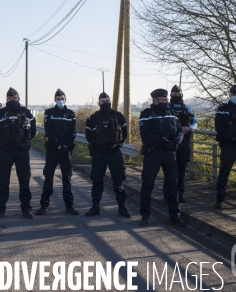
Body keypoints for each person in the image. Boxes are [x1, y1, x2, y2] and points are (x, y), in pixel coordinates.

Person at [138, 88, 185, 227]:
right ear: (155, 100)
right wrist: (162, 141)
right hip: (153, 153)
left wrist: (176, 141)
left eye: (166, 100)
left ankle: (175, 216)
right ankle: (145, 216)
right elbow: (145, 134)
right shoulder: (146, 114)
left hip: (170, 153)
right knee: (147, 185)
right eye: (163, 100)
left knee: (173, 186)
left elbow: (180, 130)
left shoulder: (172, 114)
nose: (166, 102)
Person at [0, 87, 36, 219]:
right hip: (6, 152)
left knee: (24, 181)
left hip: (22, 151)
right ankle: (0, 210)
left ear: (19, 99)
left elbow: (32, 132)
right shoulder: (0, 114)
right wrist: (5, 143)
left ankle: (26, 209)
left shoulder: (26, 113)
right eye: (10, 99)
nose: (12, 100)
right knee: (3, 181)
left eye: (14, 98)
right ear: (6, 99)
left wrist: (23, 142)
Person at [84, 92, 130, 218]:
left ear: (111, 101)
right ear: (98, 103)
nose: (106, 103)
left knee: (119, 180)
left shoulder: (119, 116)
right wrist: (97, 146)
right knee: (97, 181)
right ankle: (95, 207)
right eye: (103, 101)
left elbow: (125, 133)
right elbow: (88, 137)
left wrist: (117, 144)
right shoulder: (92, 118)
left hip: (114, 152)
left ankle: (122, 207)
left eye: (107, 100)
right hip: (99, 154)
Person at [35, 89, 79, 216]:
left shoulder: (71, 114)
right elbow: (49, 131)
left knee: (67, 179)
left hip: (66, 151)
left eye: (62, 99)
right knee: (48, 177)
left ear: (66, 99)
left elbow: (73, 132)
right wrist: (58, 144)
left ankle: (69, 206)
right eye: (58, 99)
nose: (61, 101)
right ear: (55, 100)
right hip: (53, 151)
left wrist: (65, 145)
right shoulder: (49, 113)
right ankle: (44, 205)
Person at [163, 85, 197, 204]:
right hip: (170, 141)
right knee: (169, 169)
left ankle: (180, 194)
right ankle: (167, 195)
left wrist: (190, 128)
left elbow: (194, 122)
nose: (176, 96)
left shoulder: (187, 108)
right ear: (170, 95)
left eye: (178, 94)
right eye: (174, 94)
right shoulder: (166, 107)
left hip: (184, 141)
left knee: (181, 168)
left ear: (182, 95)